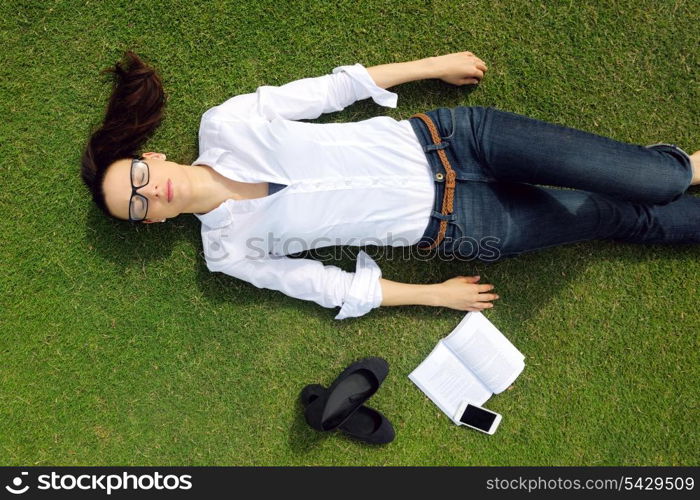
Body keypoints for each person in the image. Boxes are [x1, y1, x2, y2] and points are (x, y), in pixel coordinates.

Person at [82, 51, 700, 320]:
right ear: (152, 223)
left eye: (138, 176)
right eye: (137, 206)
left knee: (657, 176)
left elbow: (331, 91)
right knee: (615, 217)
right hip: (461, 226)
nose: (149, 192)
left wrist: (433, 67)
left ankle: (682, 171)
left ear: (151, 156)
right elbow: (324, 286)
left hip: (455, 139)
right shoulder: (226, 254)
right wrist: (433, 297)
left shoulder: (226, 123)